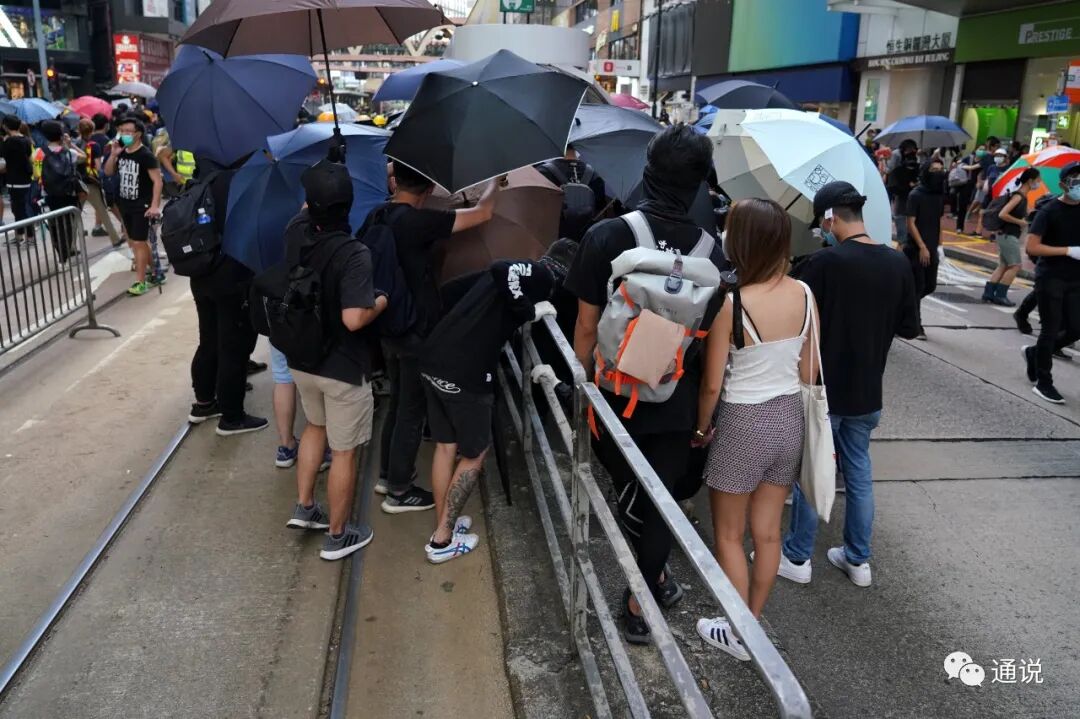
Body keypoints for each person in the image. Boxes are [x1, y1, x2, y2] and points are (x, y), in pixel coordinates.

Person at [564, 125, 725, 643]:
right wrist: (704, 419)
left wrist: (580, 388)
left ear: (647, 171)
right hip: (675, 395)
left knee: (631, 489)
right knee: (658, 499)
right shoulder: (712, 253)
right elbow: (706, 338)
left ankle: (648, 585)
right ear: (699, 184)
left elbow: (585, 326)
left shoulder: (607, 236)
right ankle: (643, 598)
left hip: (613, 395)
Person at [693, 199, 818, 662]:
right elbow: (809, 369)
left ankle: (738, 634)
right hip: (788, 418)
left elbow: (711, 385)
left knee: (729, 535)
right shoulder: (805, 293)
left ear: (741, 242)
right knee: (767, 534)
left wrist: (701, 430)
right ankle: (753, 624)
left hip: (743, 422)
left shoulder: (733, 304)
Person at [780, 181, 919, 589]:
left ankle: (797, 556)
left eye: (820, 223)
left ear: (829, 219)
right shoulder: (898, 263)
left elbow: (791, 316)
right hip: (868, 390)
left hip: (823, 389)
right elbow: (909, 327)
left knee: (812, 470)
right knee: (858, 472)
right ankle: (858, 560)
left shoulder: (824, 263)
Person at [420, 246, 573, 563]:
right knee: (475, 455)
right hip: (466, 373)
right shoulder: (543, 275)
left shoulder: (494, 284)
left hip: (434, 358)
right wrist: (527, 311)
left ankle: (444, 521)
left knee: (446, 447)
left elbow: (451, 290)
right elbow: (503, 266)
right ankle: (442, 540)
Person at [369, 162, 499, 515]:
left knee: (399, 402)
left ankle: (388, 475)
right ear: (428, 190)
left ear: (395, 182)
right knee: (412, 409)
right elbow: (483, 213)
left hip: (389, 326)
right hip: (415, 330)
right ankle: (399, 490)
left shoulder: (379, 214)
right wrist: (494, 180)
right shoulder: (417, 221)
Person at [284, 160, 388, 561]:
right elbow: (354, 318)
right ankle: (339, 535)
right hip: (342, 366)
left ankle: (305, 506)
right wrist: (381, 301)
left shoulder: (295, 231)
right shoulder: (354, 253)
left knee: (315, 427)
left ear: (309, 203)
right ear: (350, 204)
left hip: (302, 358)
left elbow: (308, 211)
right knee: (344, 451)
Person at [187, 156, 268, 436]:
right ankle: (232, 417)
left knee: (208, 340)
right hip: (231, 275)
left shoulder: (199, 182)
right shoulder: (239, 183)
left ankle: (204, 403)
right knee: (234, 347)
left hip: (201, 273)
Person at [1021, 161, 1080, 405]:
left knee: (1076, 328)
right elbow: (1032, 247)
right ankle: (1044, 382)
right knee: (1050, 329)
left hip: (1076, 279)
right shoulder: (1049, 211)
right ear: (1063, 184)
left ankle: (1034, 353)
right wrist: (1067, 250)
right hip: (1051, 277)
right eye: (1076, 180)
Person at [104, 115, 163, 296]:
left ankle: (140, 281)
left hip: (141, 204)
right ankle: (157, 273)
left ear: (138, 134)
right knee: (137, 242)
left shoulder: (146, 155)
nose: (124, 134)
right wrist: (113, 155)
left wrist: (154, 206)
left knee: (138, 242)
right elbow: (108, 172)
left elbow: (157, 181)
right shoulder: (121, 152)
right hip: (125, 204)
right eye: (121, 131)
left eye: (128, 131)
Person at [982, 168, 1041, 307]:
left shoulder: (1022, 197)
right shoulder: (1018, 196)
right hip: (1008, 235)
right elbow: (1003, 214)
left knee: (1003, 265)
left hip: (1005, 235)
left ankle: (989, 293)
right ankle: (1000, 296)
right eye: (1038, 179)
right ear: (1030, 181)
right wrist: (1020, 222)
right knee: (1015, 266)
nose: (1040, 183)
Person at [904, 158, 947, 339]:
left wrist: (940, 246)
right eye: (934, 169)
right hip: (916, 248)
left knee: (930, 286)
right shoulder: (915, 195)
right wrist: (922, 246)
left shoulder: (938, 195)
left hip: (932, 247)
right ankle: (916, 326)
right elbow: (910, 223)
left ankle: (904, 307)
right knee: (919, 286)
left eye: (941, 169)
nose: (939, 173)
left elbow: (938, 221)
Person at [33, 120, 85, 264]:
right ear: (61, 135)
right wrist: (70, 144)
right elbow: (84, 157)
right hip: (68, 194)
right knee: (67, 226)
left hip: (48, 195)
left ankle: (61, 255)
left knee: (54, 225)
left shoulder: (39, 153)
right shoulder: (69, 152)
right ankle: (65, 254)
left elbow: (36, 175)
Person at [536, 145, 607, 242]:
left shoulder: (543, 172)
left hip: (554, 239)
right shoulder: (594, 175)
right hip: (586, 239)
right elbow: (600, 208)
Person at [89, 113, 124, 245]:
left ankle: (98, 226)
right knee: (110, 202)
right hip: (105, 176)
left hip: (90, 178)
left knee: (101, 202)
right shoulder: (108, 142)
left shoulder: (88, 139)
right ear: (106, 125)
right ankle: (124, 224)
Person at [1, 115, 35, 246]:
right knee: (22, 208)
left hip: (14, 180)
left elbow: (4, 160)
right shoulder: (26, 139)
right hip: (26, 178)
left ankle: (27, 237)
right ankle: (21, 235)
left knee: (19, 210)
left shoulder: (9, 142)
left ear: (6, 126)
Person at [966, 136, 1002, 236]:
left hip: (996, 189)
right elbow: (981, 172)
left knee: (992, 210)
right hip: (987, 188)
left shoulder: (1001, 163)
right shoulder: (988, 159)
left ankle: (992, 233)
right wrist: (981, 181)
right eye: (996, 146)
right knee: (981, 207)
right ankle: (978, 230)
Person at [887, 140, 919, 244]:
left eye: (913, 149)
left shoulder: (917, 166)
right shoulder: (897, 159)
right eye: (909, 149)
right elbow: (891, 171)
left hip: (914, 201)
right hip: (901, 198)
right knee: (902, 231)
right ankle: (901, 246)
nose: (911, 151)